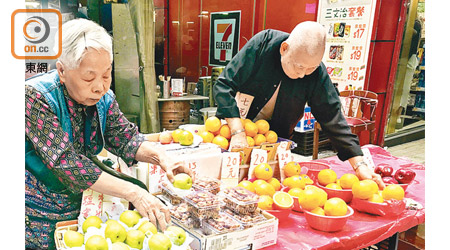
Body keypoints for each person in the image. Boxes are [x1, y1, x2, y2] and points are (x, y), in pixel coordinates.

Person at [25, 18, 192, 249]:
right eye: (89, 77)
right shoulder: (36, 97)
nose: (100, 87)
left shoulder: (104, 98)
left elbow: (126, 139)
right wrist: (134, 193)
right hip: (41, 211)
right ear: (62, 70)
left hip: (85, 208)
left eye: (106, 75)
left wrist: (162, 157)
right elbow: (66, 163)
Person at [213, 21, 384, 189]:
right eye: (299, 66)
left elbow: (332, 116)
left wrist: (359, 164)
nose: (303, 75)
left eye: (310, 69)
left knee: (265, 189)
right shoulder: (263, 44)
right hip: (232, 131)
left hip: (274, 141)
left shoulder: (315, 72)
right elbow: (224, 85)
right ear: (284, 49)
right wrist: (237, 131)